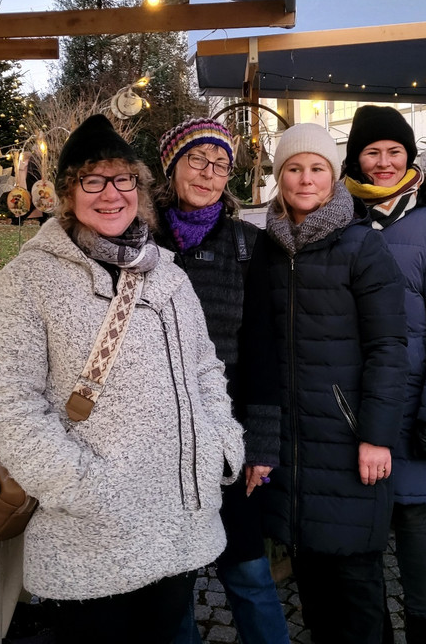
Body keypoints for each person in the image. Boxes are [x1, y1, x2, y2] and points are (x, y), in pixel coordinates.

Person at [0, 114, 245, 644]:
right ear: (66, 193)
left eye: (123, 179)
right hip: (93, 530)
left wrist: (220, 443)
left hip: (178, 517)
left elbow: (205, 368)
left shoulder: (168, 274)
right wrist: (83, 488)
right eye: (92, 180)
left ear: (140, 189)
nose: (111, 194)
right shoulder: (28, 280)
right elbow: (10, 405)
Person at [247, 122, 408, 644]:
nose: (305, 178)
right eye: (294, 168)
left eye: (317, 168)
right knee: (312, 579)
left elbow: (389, 347)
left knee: (356, 580)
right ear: (279, 177)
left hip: (347, 436)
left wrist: (376, 434)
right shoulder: (265, 249)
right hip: (291, 442)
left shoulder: (361, 247)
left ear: (335, 176)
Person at [154, 118, 290, 644]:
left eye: (220, 165)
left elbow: (261, 350)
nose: (209, 174)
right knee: (172, 578)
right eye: (197, 160)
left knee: (247, 565)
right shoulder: (140, 239)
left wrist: (260, 446)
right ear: (173, 167)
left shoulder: (246, 245)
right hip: (158, 433)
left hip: (227, 429)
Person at [342, 105, 426, 644]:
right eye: (372, 152)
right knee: (362, 522)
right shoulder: (339, 219)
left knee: (414, 518)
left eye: (394, 151)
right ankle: (373, 626)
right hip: (355, 399)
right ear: (355, 158)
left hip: (418, 397)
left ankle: (422, 623)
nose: (383, 162)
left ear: (409, 157)